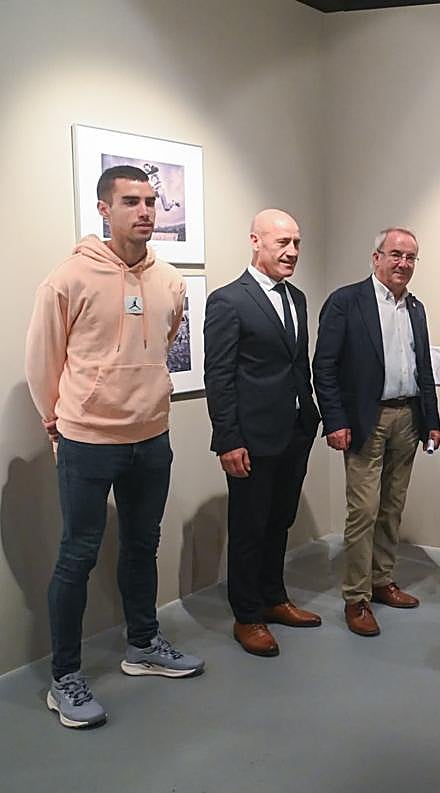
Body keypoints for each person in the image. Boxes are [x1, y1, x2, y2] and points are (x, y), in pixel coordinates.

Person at [25, 165, 204, 728]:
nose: (145, 211)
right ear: (104, 209)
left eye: (150, 201)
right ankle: (65, 678)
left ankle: (143, 645)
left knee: (142, 545)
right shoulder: (69, 278)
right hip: (88, 440)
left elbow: (164, 344)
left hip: (151, 436)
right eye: (131, 201)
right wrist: (56, 423)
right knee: (77, 555)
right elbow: (43, 360)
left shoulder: (169, 280)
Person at [312, 227, 440, 636]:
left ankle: (383, 580)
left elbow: (423, 368)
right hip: (366, 420)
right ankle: (357, 597)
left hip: (408, 417)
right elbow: (324, 367)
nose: (403, 263)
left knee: (392, 507)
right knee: (364, 511)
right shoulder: (346, 302)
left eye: (410, 257)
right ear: (376, 257)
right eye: (395, 255)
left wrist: (433, 421)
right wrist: (335, 421)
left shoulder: (415, 308)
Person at [204, 209, 321, 657]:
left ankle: (274, 598)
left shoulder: (297, 298)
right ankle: (247, 615)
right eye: (282, 242)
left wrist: (310, 415)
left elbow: (296, 364)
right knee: (249, 527)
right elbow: (219, 376)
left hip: (294, 431)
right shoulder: (228, 301)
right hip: (251, 439)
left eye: (296, 243)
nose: (292, 252)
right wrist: (228, 439)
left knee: (280, 521)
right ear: (256, 241)